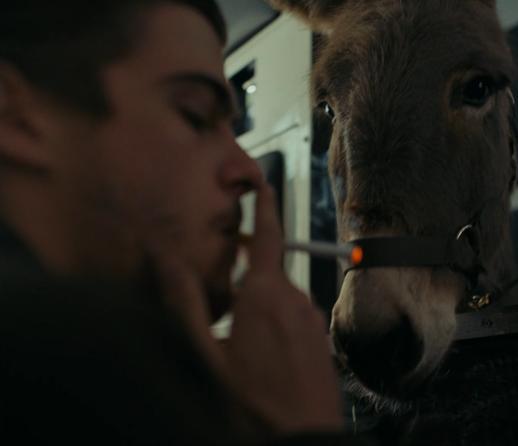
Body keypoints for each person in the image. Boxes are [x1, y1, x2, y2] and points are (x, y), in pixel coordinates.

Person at [0, 1, 373, 444]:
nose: (248, 171)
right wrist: (299, 422)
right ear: (15, 117)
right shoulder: (63, 352)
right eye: (194, 115)